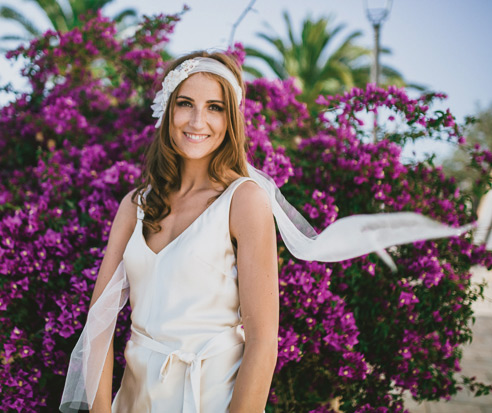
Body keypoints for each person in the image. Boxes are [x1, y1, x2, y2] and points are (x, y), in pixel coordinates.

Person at [60, 51, 472, 413]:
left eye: (215, 107)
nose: (198, 120)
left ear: (232, 118)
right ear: (168, 110)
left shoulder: (245, 200)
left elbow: (262, 341)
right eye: (185, 104)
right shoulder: (135, 205)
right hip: (134, 398)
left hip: (211, 397)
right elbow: (99, 323)